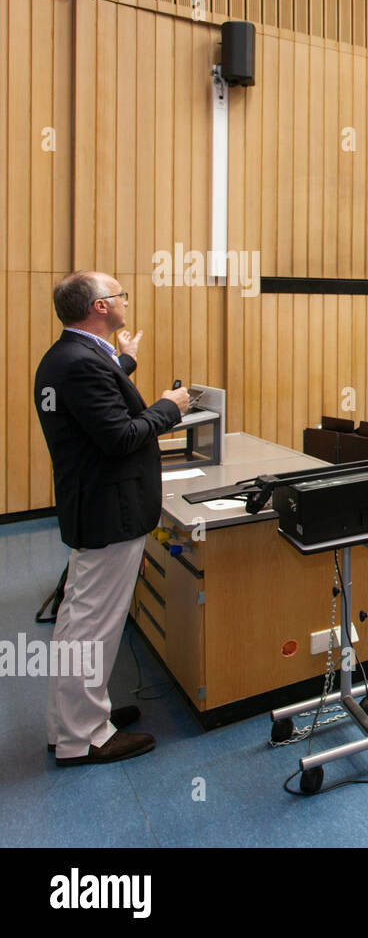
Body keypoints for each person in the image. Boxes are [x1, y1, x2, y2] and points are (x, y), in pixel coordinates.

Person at [34, 272, 188, 765]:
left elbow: (101, 391)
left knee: (78, 617)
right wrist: (170, 406)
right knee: (94, 624)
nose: (125, 300)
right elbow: (121, 435)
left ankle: (72, 724)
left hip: (92, 504)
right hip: (109, 509)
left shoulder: (70, 356)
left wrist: (127, 359)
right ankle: (85, 737)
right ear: (100, 307)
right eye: (120, 294)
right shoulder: (79, 364)